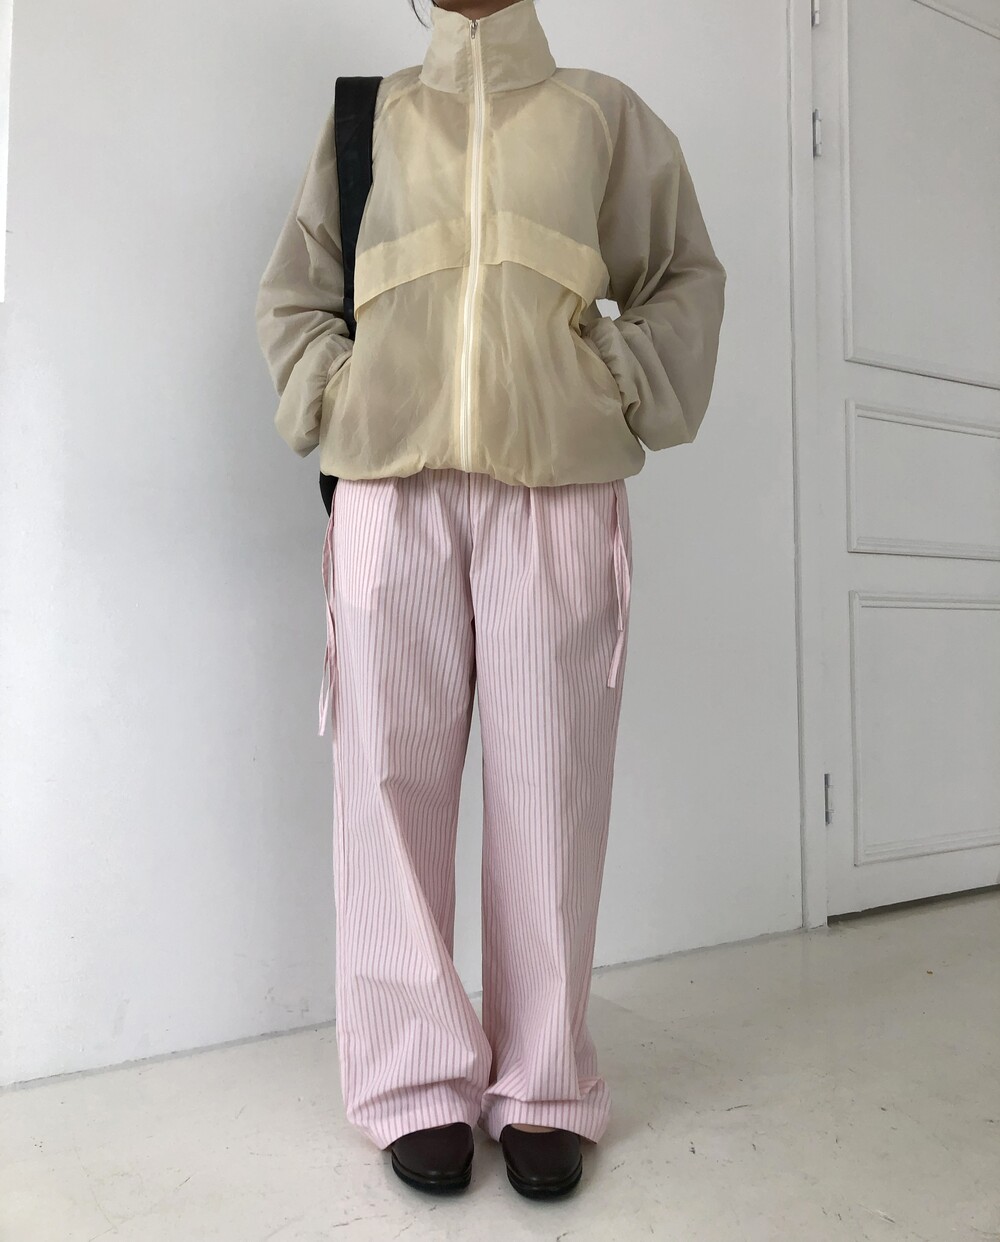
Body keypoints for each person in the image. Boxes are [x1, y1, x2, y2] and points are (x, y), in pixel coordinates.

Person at [255, 0, 726, 1201]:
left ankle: (544, 1085)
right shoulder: (367, 119)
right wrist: (340, 393)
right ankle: (414, 1081)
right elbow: (296, 294)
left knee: (550, 786)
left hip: (555, 493)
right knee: (386, 783)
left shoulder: (601, 116)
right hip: (389, 490)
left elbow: (682, 277)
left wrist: (609, 377)